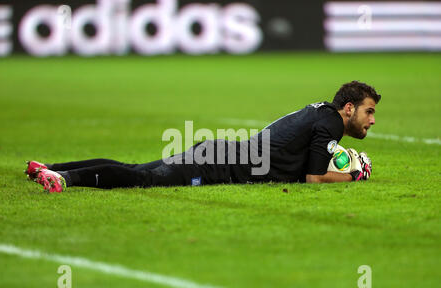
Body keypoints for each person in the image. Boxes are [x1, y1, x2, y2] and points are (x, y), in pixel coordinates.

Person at [26, 80, 379, 193]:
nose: (372, 120)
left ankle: (50, 167)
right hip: (219, 166)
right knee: (143, 179)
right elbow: (314, 178)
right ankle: (64, 178)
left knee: (136, 167)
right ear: (348, 108)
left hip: (222, 153)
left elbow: (303, 161)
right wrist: (351, 175)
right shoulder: (331, 123)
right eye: (369, 111)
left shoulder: (320, 113)